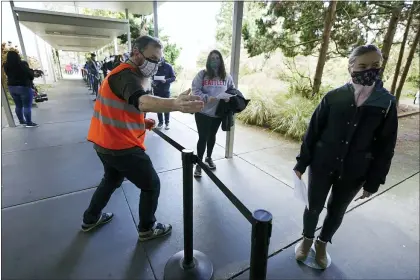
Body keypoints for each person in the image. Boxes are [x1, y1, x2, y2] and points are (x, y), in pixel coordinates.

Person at [82, 35, 204, 242]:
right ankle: (147, 228)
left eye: (159, 61)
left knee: (111, 180)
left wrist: (142, 123)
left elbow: (118, 110)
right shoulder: (125, 76)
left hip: (104, 143)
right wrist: (176, 104)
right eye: (152, 59)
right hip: (122, 147)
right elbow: (142, 102)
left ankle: (90, 219)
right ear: (136, 53)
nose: (156, 65)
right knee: (151, 185)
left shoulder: (121, 75)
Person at [293, 44, 398, 269]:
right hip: (322, 164)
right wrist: (302, 163)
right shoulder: (333, 97)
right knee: (313, 206)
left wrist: (374, 180)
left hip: (355, 171)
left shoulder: (386, 103)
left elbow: (386, 146)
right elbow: (313, 132)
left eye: (375, 66)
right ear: (351, 66)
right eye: (363, 65)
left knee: (337, 210)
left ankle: (321, 245)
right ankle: (307, 239)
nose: (370, 69)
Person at [191, 50, 235, 177]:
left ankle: (208, 157)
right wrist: (205, 97)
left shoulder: (226, 76)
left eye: (217, 58)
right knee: (203, 137)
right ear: (208, 61)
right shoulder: (202, 74)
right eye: (212, 58)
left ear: (221, 60)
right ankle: (199, 164)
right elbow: (195, 90)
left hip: (218, 113)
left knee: (212, 136)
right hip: (203, 112)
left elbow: (233, 90)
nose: (214, 60)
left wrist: (229, 97)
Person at [3, 51, 38, 127]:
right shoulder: (22, 64)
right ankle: (29, 123)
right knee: (26, 106)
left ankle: (21, 121)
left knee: (18, 106)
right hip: (23, 87)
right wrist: (32, 72)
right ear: (17, 56)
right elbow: (30, 75)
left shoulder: (6, 65)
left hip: (12, 87)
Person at [152, 57, 176, 129]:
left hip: (165, 91)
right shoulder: (154, 66)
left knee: (166, 107)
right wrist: (153, 82)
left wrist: (166, 80)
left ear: (162, 59)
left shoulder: (168, 66)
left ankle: (167, 123)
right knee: (158, 107)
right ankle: (160, 122)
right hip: (156, 90)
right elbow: (151, 76)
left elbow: (173, 77)